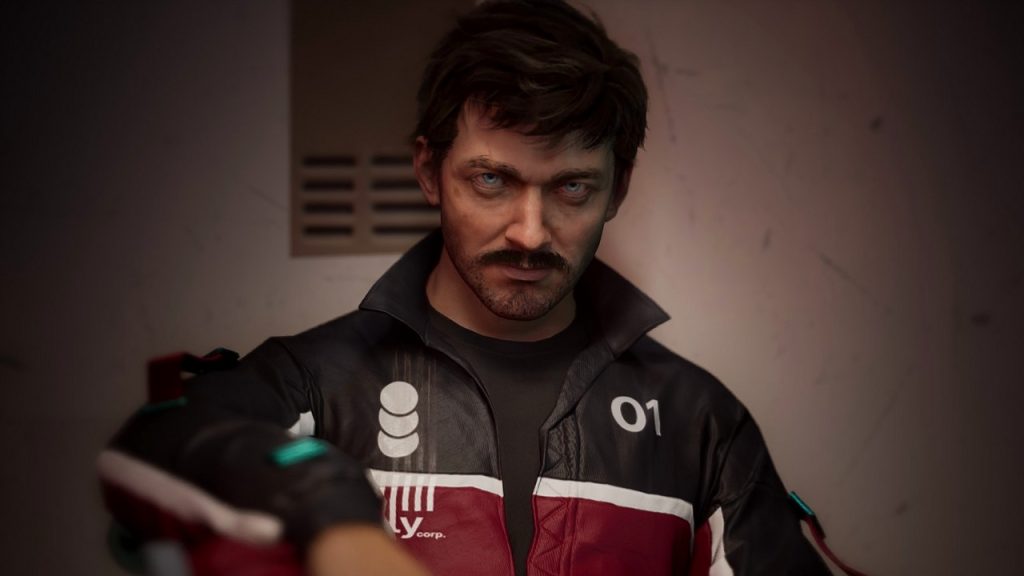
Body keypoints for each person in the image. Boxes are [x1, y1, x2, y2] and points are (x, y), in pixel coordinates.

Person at [98, 1, 831, 574]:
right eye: (492, 180)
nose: (530, 233)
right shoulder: (314, 382)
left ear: (618, 189)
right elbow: (149, 448)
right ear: (428, 172)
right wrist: (329, 509)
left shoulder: (701, 420)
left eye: (572, 187)